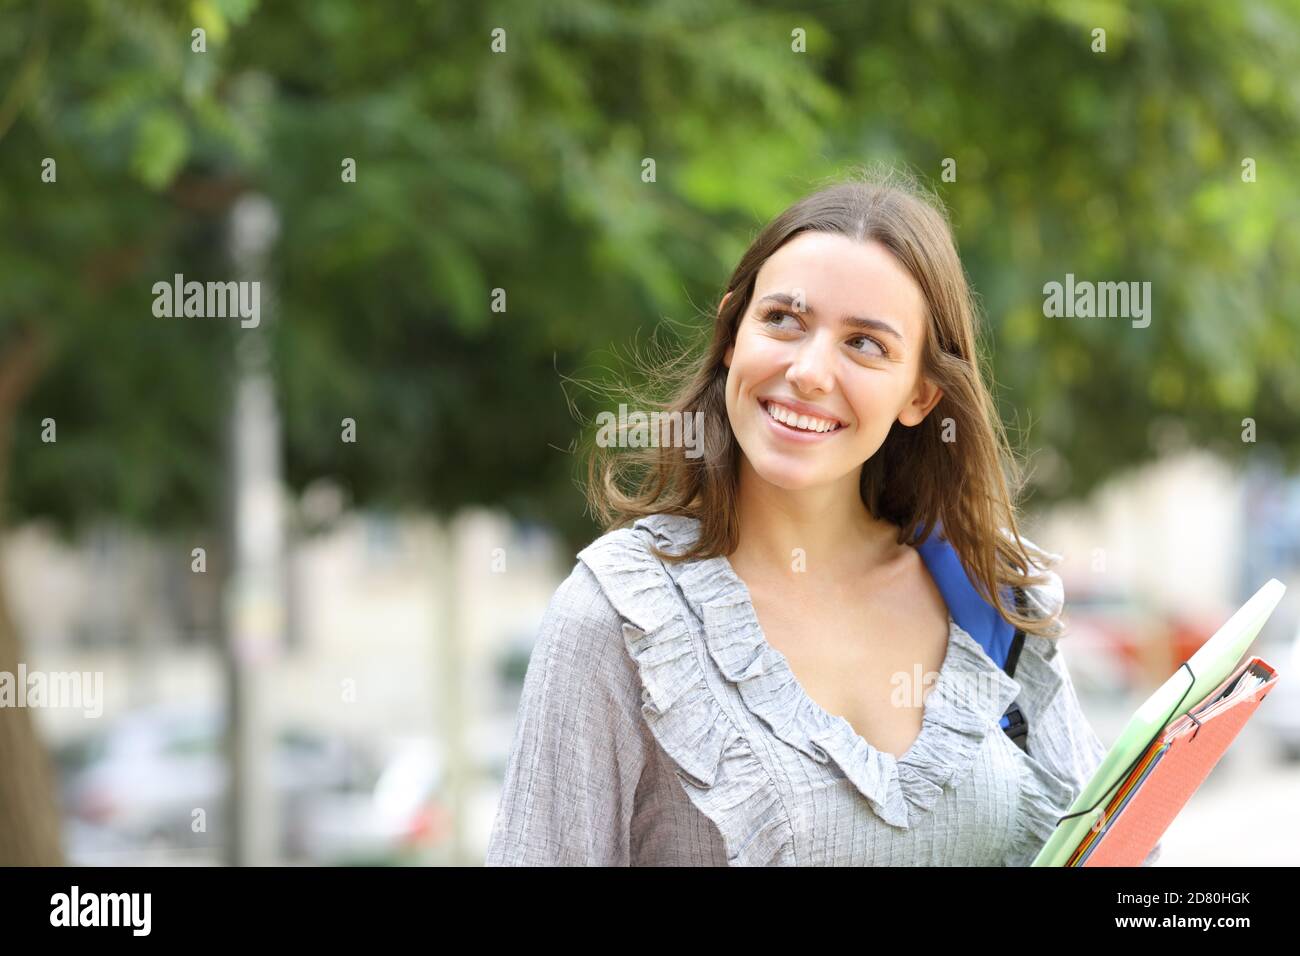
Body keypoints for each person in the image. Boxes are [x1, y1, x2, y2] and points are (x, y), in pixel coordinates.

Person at [485, 168, 1160, 867]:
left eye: (865, 344)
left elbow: (1111, 850)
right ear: (730, 335)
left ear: (921, 394)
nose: (809, 371)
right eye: (783, 320)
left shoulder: (989, 592)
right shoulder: (621, 618)